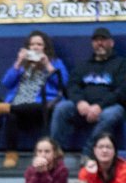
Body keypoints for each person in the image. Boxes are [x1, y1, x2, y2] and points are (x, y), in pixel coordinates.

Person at [0, 31, 68, 169]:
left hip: (42, 104)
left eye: (39, 44)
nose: (35, 47)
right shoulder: (23, 65)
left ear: (45, 47)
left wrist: (48, 65)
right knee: (11, 116)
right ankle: (11, 154)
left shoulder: (55, 62)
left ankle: (5, 108)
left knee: (31, 107)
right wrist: (18, 62)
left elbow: (63, 83)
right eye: (32, 44)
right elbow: (6, 82)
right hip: (20, 102)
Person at [50, 27, 126, 155]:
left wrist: (100, 106)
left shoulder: (121, 64)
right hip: (83, 107)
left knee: (111, 114)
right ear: (92, 44)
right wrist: (80, 102)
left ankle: (89, 153)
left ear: (111, 43)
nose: (99, 43)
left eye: (103, 40)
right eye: (96, 40)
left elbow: (122, 90)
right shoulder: (84, 65)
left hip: (109, 107)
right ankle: (55, 152)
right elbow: (72, 85)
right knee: (62, 108)